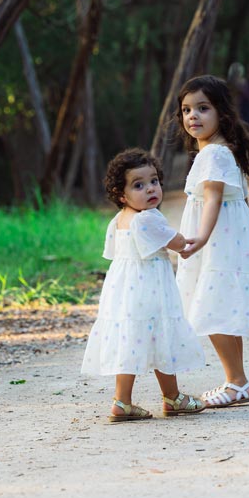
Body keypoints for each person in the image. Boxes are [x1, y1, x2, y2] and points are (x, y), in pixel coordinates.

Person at [175, 75, 249, 408]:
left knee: (211, 308)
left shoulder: (214, 155)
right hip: (230, 237)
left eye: (202, 108)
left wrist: (202, 238)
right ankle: (238, 381)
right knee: (220, 307)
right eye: (186, 110)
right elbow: (241, 202)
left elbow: (213, 199)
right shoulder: (219, 150)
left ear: (221, 113)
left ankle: (237, 380)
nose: (193, 116)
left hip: (218, 240)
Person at [81, 148, 206, 422]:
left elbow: (117, 254)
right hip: (149, 289)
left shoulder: (119, 219)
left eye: (154, 181)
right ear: (121, 194)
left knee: (131, 341)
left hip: (123, 290)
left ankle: (122, 401)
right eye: (139, 185)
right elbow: (176, 242)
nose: (150, 189)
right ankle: (172, 397)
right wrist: (187, 242)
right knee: (160, 337)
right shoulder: (148, 218)